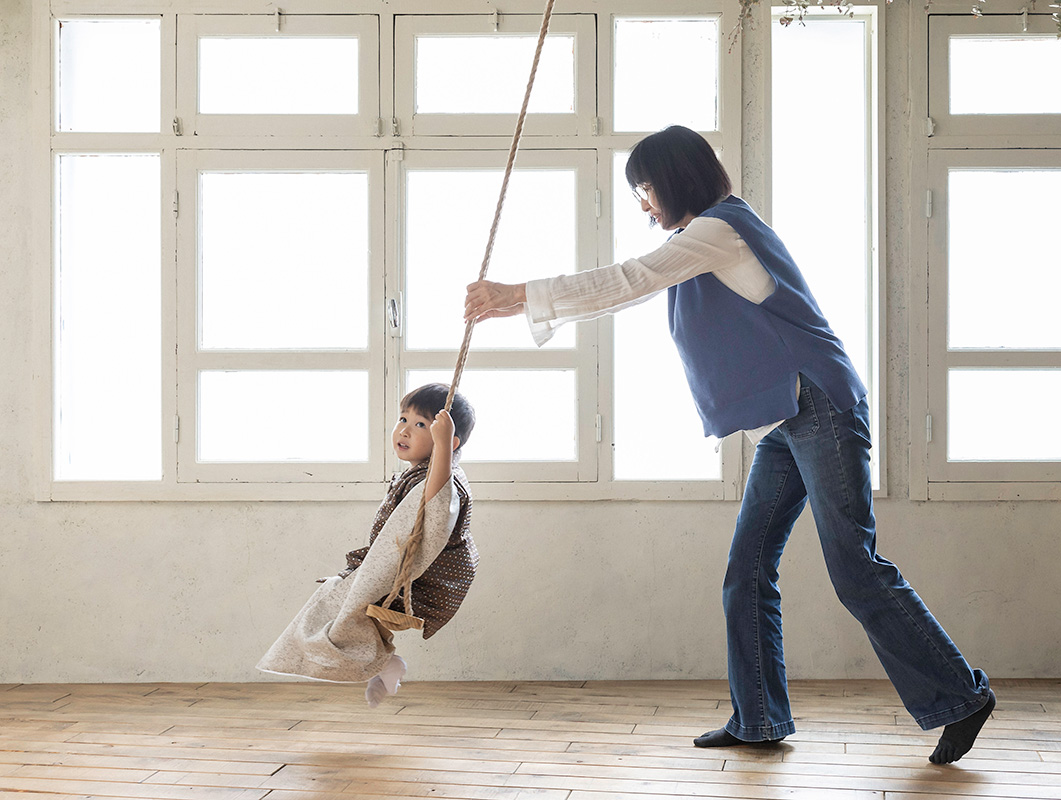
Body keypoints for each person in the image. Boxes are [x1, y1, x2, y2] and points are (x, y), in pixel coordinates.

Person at [463, 125, 994, 764]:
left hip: (819, 404)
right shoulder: (702, 237)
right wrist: (523, 303)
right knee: (747, 569)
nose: (644, 204)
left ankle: (961, 696)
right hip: (788, 418)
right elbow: (637, 282)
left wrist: (518, 294)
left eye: (646, 188)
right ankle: (759, 719)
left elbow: (630, 279)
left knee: (854, 567)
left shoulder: (720, 229)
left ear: (676, 178)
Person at [257, 384, 477, 709]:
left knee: (345, 612)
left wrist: (443, 445)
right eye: (403, 419)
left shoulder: (443, 479)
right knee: (337, 605)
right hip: (398, 565)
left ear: (448, 440)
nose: (404, 430)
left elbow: (438, 507)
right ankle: (385, 666)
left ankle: (383, 665)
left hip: (428, 579)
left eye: (420, 424)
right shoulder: (418, 474)